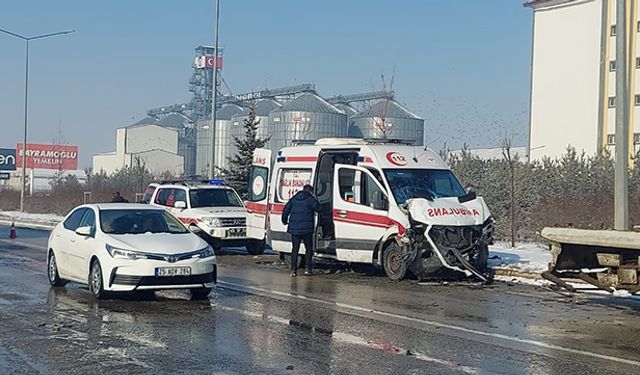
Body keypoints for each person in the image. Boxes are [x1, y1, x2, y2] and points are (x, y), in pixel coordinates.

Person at [282, 184, 320, 277]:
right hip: (307, 229)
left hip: (294, 229)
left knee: (295, 249)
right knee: (308, 249)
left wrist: (284, 220)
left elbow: (286, 210)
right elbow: (319, 208)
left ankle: (293, 270)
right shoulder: (310, 199)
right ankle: (308, 269)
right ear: (310, 191)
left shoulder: (294, 199)